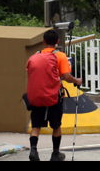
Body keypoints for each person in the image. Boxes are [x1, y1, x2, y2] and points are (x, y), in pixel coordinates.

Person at [26, 29, 82, 161]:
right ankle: (55, 153)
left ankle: (33, 150)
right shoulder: (60, 56)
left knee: (36, 125)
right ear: (57, 41)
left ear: (43, 41)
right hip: (54, 96)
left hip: (37, 95)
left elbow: (30, 73)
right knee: (56, 125)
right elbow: (66, 76)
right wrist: (77, 81)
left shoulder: (35, 55)